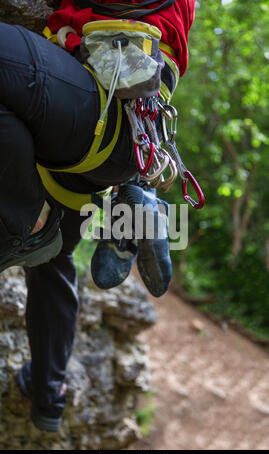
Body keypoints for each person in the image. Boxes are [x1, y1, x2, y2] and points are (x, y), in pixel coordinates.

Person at [0, 0, 195, 431]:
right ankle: (49, 395)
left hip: (91, 107)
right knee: (52, 260)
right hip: (125, 129)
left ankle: (30, 220)